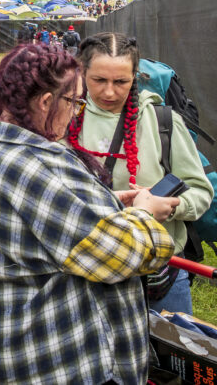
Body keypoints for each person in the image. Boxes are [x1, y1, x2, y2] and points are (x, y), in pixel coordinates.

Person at [0, 44, 177, 384]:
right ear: (45, 102)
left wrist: (101, 201)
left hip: (4, 353)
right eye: (74, 102)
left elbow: (29, 220)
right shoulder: (38, 166)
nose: (76, 112)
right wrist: (145, 213)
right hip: (59, 365)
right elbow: (123, 254)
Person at [67, 32, 213, 314]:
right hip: (89, 272)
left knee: (171, 356)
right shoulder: (66, 118)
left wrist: (169, 208)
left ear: (136, 75)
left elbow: (201, 191)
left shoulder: (163, 122)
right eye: (99, 80)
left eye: (121, 81)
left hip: (162, 274)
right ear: (82, 72)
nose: (110, 92)